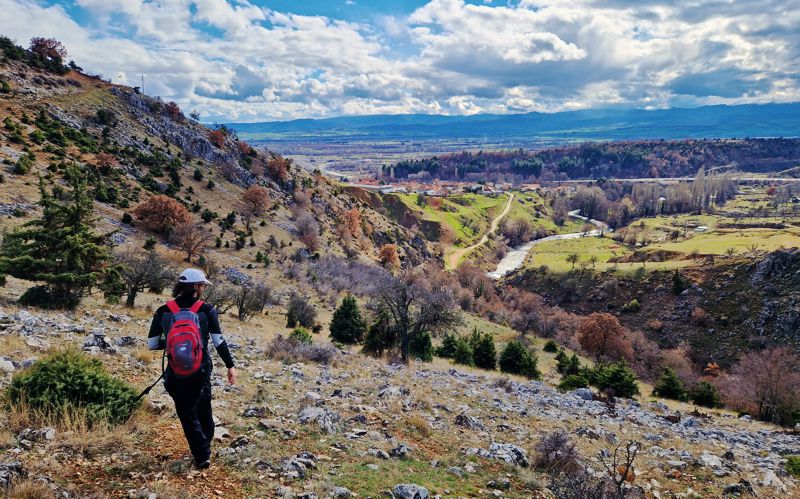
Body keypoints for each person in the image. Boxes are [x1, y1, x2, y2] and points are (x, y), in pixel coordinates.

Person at [147, 268, 237, 469]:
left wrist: (172, 343)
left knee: (186, 413)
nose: (204, 287)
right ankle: (204, 452)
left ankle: (201, 452)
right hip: (202, 369)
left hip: (175, 371)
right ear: (196, 286)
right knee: (204, 406)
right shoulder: (206, 310)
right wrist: (230, 365)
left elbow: (152, 344)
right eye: (203, 284)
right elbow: (218, 341)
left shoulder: (163, 310)